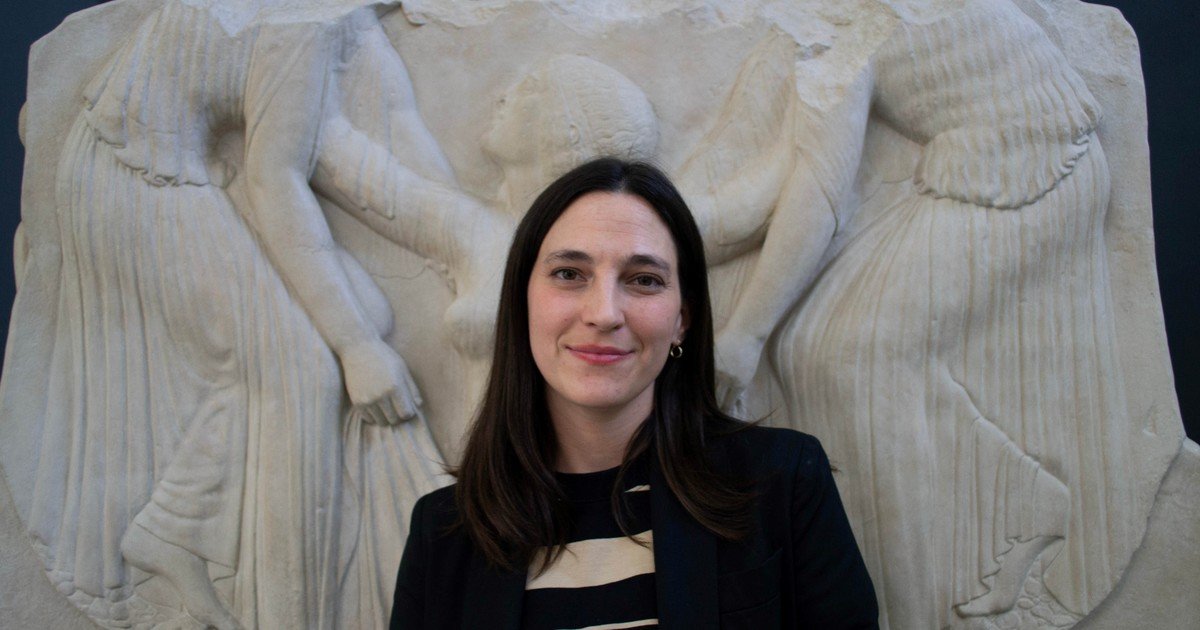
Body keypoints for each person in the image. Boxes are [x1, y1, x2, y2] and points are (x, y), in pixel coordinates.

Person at [390, 157, 878, 629]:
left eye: (644, 280)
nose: (604, 313)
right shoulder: (443, 534)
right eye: (569, 274)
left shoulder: (784, 482)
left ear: (682, 319)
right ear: (523, 301)